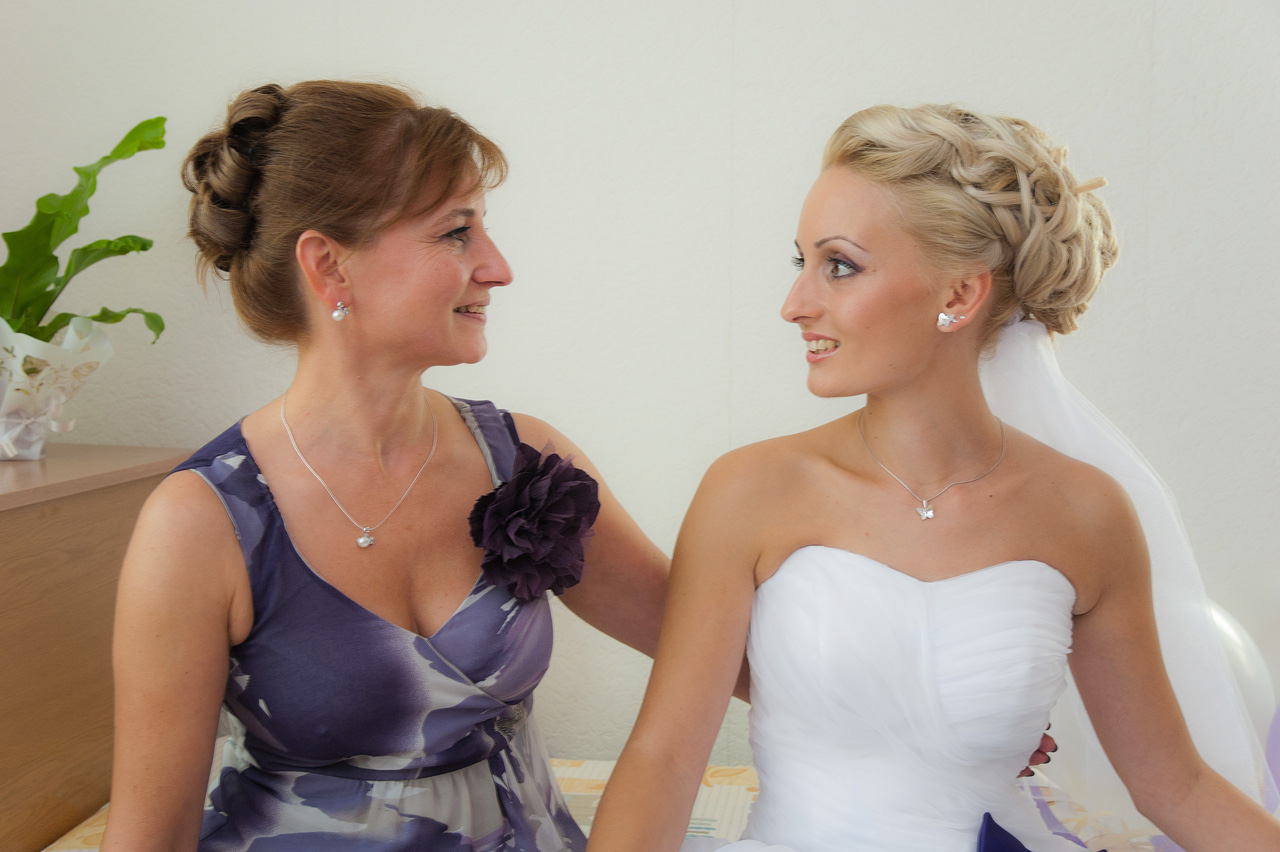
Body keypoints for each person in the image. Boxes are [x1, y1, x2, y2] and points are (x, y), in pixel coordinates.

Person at [585, 104, 1280, 852]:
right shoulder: (748, 491)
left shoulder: (1086, 513)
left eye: (839, 266)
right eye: (801, 262)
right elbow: (663, 759)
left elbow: (1176, 786)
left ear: (958, 296)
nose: (795, 305)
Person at [99, 80, 676, 852]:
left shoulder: (524, 463)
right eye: (456, 232)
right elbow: (150, 835)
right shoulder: (200, 524)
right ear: (329, 266)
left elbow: (706, 640)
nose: (498, 268)